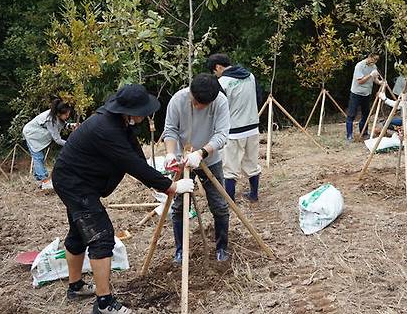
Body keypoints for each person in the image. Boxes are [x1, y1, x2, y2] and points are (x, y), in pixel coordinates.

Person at [52, 84, 194, 314]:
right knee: (102, 238)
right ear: (130, 110)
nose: (146, 115)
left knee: (78, 233)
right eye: (143, 111)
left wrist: (160, 176)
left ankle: (75, 286)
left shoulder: (119, 121)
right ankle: (104, 304)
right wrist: (171, 186)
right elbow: (131, 164)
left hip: (76, 180)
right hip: (75, 184)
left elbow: (136, 154)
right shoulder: (106, 129)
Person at [164, 74, 231, 263]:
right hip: (182, 160)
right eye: (195, 101)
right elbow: (170, 130)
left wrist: (201, 153)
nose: (197, 106)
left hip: (209, 159)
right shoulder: (178, 100)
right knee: (178, 207)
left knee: (219, 205)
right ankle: (180, 250)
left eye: (202, 104)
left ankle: (222, 248)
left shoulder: (220, 102)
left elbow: (221, 135)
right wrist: (171, 154)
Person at [207, 53, 261, 202]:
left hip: (234, 130)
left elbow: (218, 108)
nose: (215, 74)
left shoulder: (222, 83)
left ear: (218, 67)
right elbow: (259, 96)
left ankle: (229, 200)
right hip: (252, 126)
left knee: (229, 168)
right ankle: (254, 195)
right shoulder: (250, 76)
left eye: (214, 71)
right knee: (252, 163)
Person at [22, 98, 72, 189]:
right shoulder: (50, 120)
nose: (68, 116)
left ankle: (39, 177)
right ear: (59, 113)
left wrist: (71, 126)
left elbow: (63, 124)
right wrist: (71, 144)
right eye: (66, 114)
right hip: (31, 134)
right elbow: (57, 139)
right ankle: (44, 181)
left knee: (39, 157)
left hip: (37, 134)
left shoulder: (55, 113)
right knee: (38, 157)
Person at [346, 53, 383, 141]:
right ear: (369, 57)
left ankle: (364, 133)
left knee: (366, 114)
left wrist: (380, 82)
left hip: (367, 94)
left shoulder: (374, 66)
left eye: (377, 60)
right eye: (374, 59)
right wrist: (370, 75)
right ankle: (349, 135)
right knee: (351, 115)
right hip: (356, 93)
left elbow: (375, 79)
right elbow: (360, 81)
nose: (375, 61)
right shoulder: (360, 66)